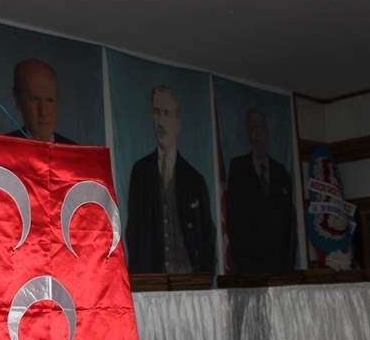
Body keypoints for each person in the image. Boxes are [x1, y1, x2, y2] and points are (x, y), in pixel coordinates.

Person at [126, 86, 215, 273]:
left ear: (177, 122)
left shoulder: (195, 180)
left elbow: (207, 235)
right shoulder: (140, 172)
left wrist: (204, 276)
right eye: (156, 112)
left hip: (190, 281)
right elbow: (133, 233)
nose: (160, 121)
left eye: (166, 113)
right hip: (153, 282)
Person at [227, 107, 296, 273]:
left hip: (279, 267)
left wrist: (287, 266)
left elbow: (289, 224)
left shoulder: (281, 172)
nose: (256, 135)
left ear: (267, 131)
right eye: (251, 128)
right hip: (249, 268)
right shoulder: (237, 168)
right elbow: (234, 221)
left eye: (259, 128)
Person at [6, 59, 76, 144]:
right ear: (18, 99)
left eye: (50, 100)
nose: (43, 112)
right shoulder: (0, 149)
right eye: (35, 99)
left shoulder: (74, 150)